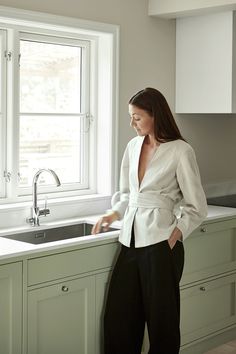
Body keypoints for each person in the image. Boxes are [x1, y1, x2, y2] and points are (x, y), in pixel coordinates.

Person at [92, 87, 208, 354]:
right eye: (131, 117)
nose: (132, 123)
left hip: (160, 244)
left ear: (155, 115)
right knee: (119, 318)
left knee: (162, 323)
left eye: (137, 117)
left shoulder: (181, 151)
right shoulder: (133, 146)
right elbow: (125, 193)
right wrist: (113, 213)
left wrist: (176, 234)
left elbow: (196, 205)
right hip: (129, 242)